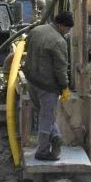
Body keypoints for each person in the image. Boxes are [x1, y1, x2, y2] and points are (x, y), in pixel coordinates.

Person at [23, 10, 73, 160]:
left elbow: (27, 50)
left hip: (32, 81)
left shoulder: (36, 30)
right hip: (48, 86)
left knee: (44, 113)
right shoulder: (59, 41)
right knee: (47, 117)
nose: (68, 32)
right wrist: (65, 87)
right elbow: (61, 68)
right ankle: (43, 151)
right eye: (68, 29)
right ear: (61, 25)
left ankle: (56, 136)